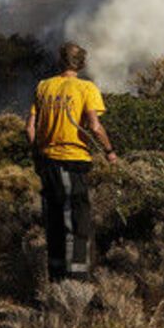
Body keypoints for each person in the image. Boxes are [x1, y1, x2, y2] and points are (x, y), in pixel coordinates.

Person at [25, 42, 116, 282]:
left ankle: (56, 278)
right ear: (82, 64)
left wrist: (37, 155)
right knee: (77, 221)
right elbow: (95, 126)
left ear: (60, 62)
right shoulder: (86, 88)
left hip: (47, 163)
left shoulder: (43, 86)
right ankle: (77, 280)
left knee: (54, 220)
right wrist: (110, 152)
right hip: (72, 162)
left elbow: (30, 128)